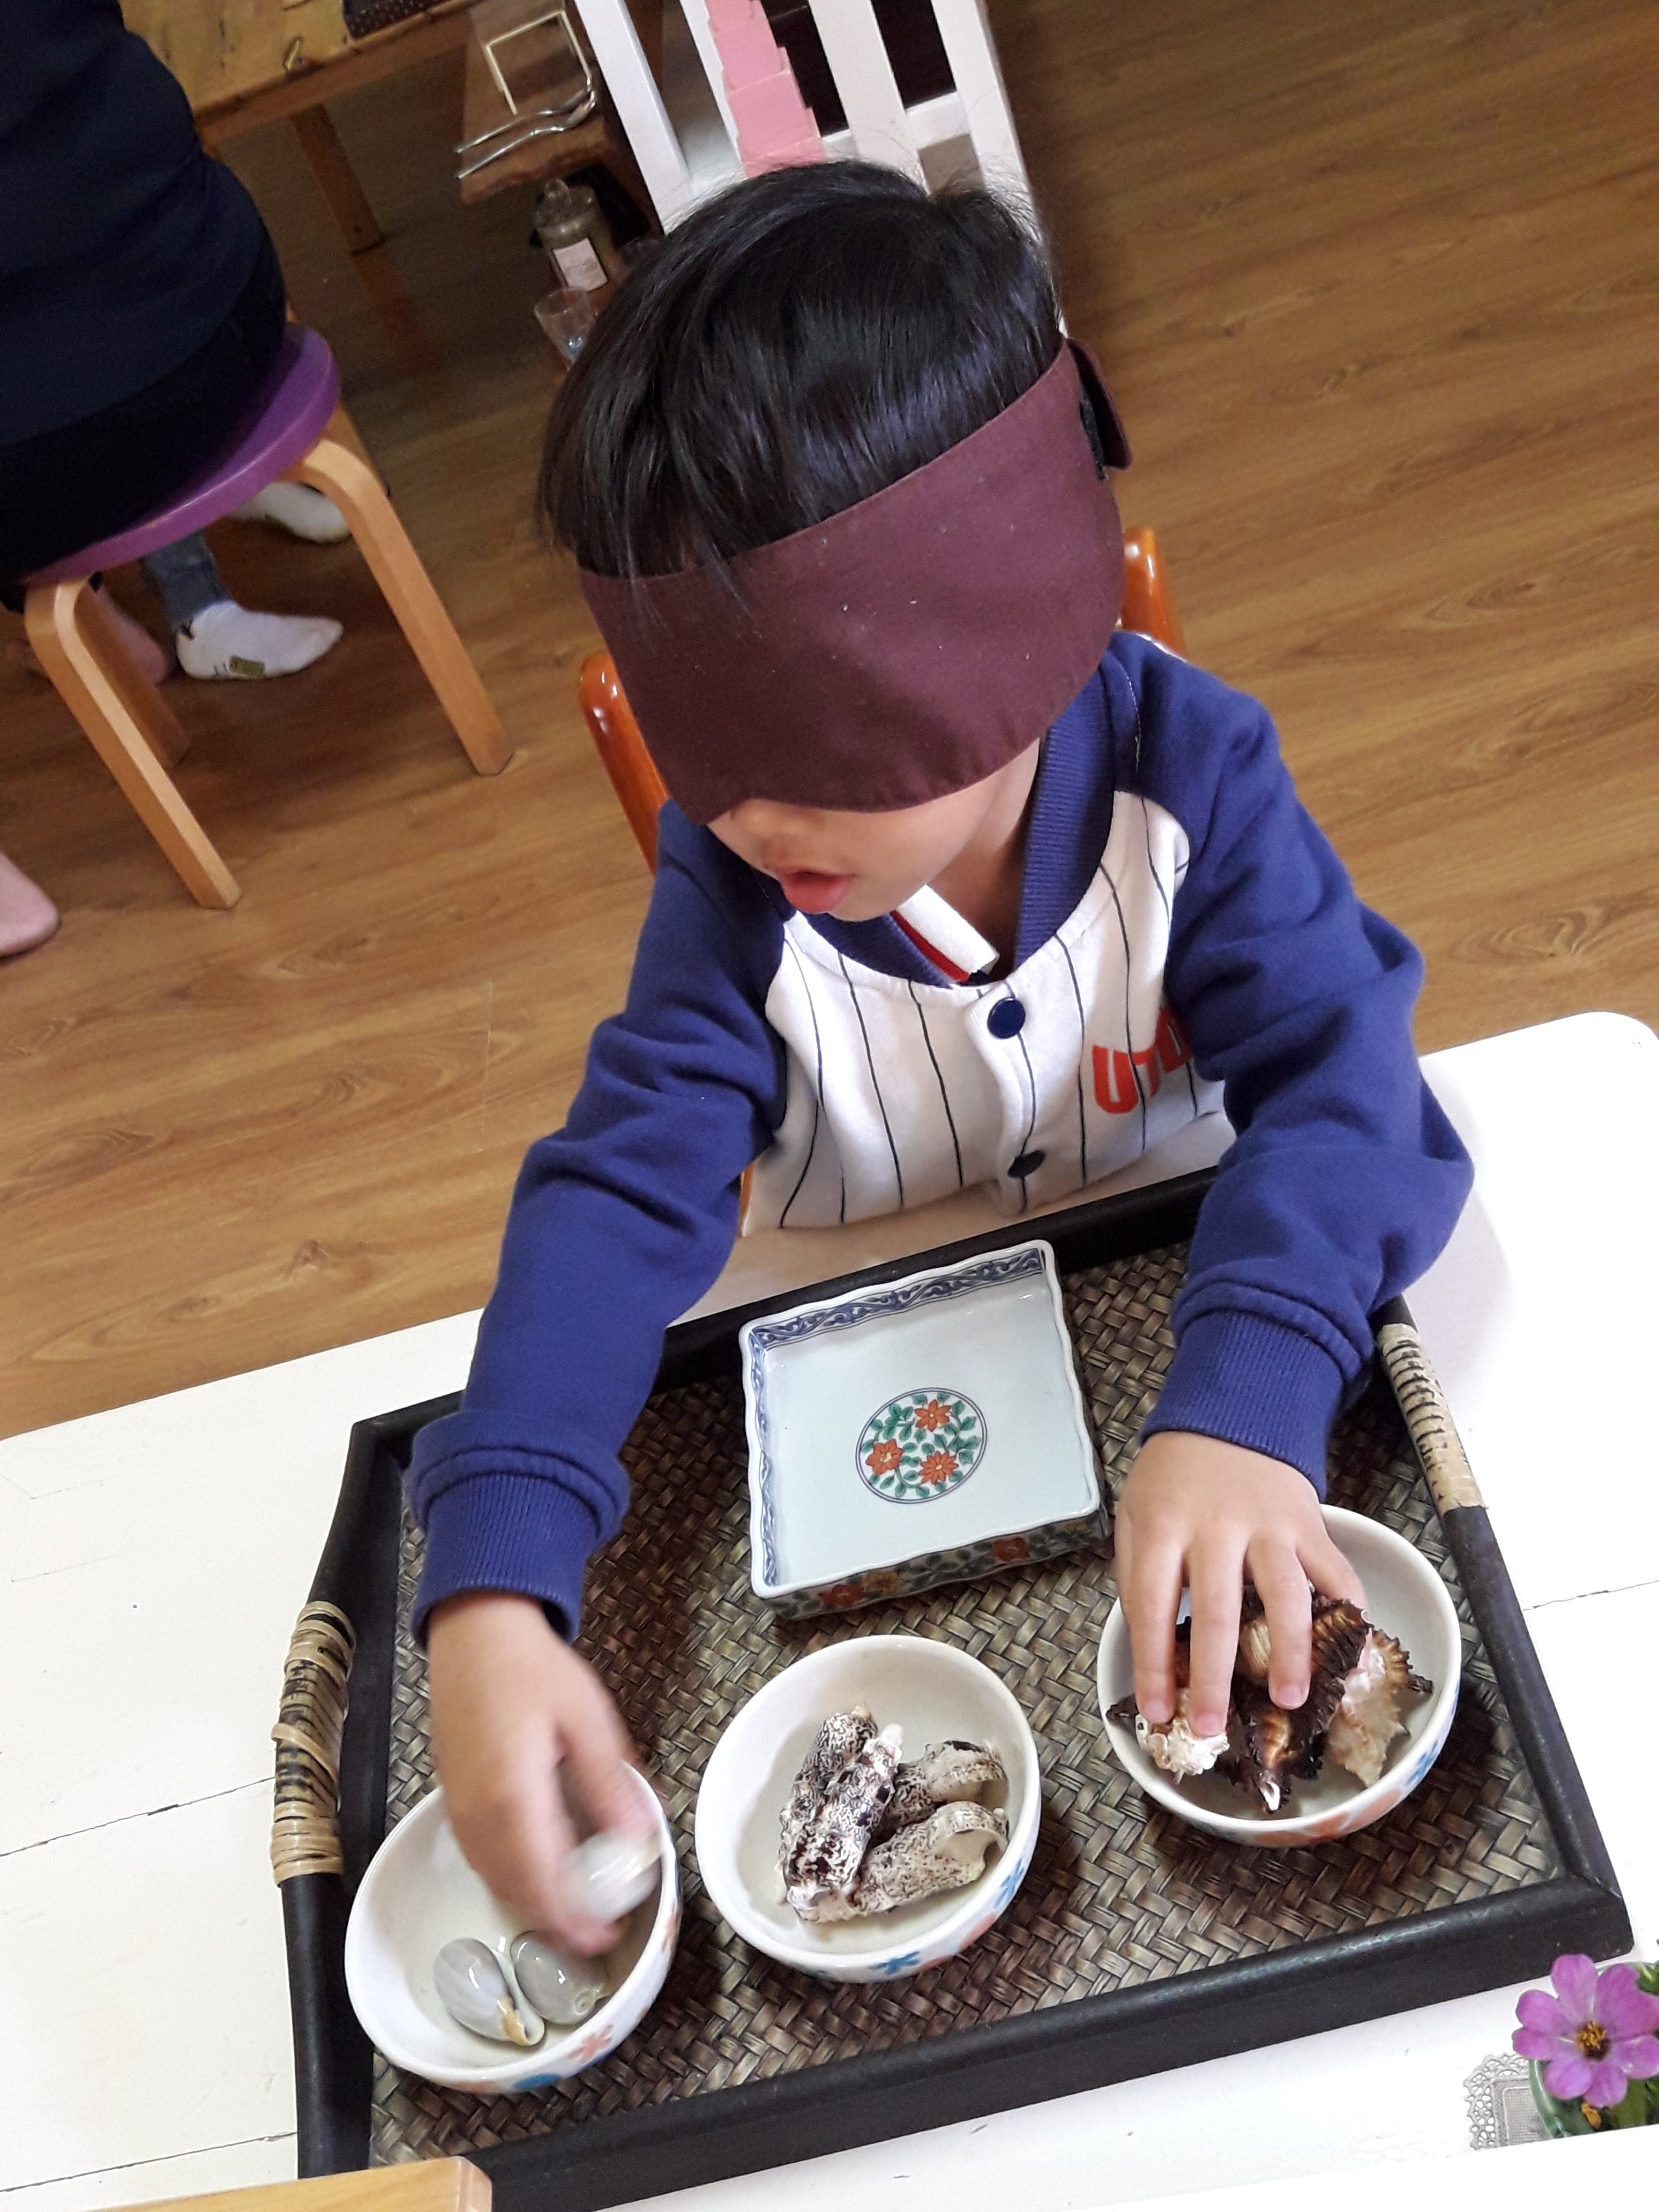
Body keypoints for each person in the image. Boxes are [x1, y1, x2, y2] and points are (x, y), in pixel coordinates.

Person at [410, 162, 1473, 1953]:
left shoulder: (1193, 781)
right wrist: (491, 1578)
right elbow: (615, 1191)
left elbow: (1349, 1089)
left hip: (1179, 1321)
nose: (747, 815)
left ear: (1006, 626)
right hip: (871, 1419)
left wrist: (1246, 1397)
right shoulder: (735, 889)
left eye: (818, 747)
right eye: (705, 750)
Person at [0, 2, 343, 679]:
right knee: (84, 282)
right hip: (233, 300)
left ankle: (116, 630)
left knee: (61, 387)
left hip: (93, 442)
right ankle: (204, 544)